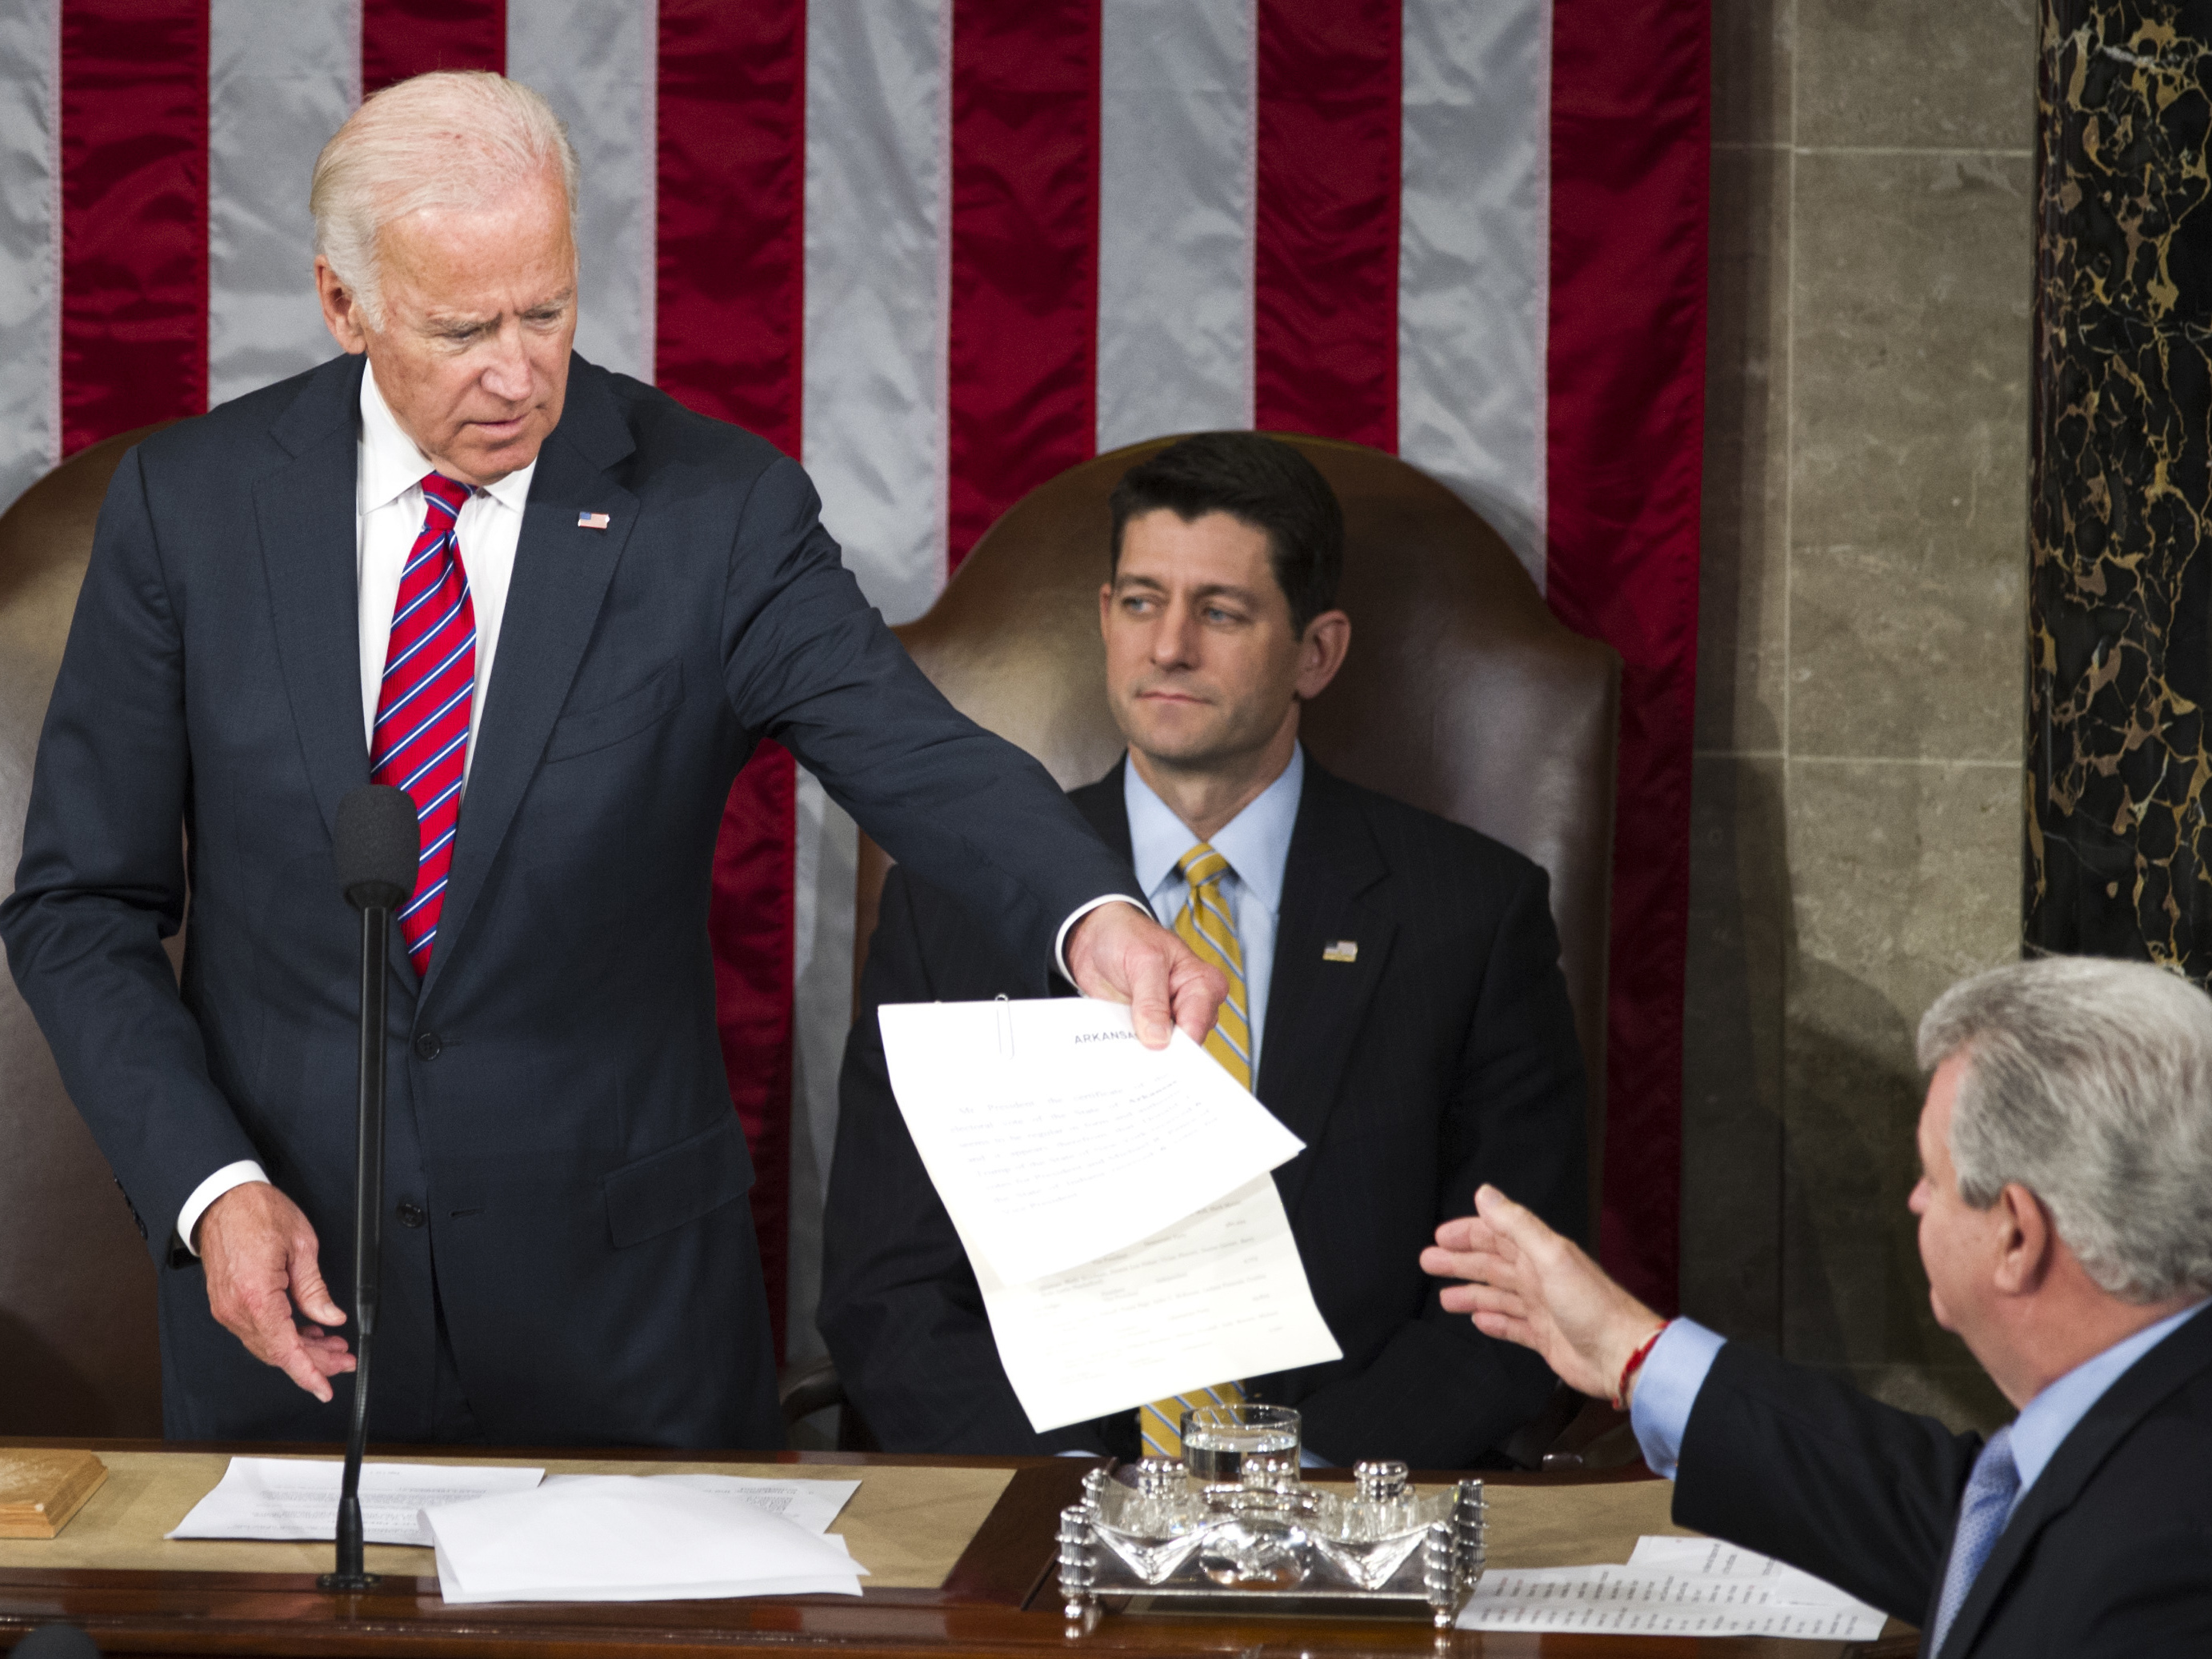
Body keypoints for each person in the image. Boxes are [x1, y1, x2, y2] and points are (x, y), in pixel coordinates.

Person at [0, 71, 1223, 1449]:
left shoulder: (718, 511)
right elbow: (78, 909)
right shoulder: (192, 509)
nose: (518, 373)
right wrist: (210, 1185)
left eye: (547, 310)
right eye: (463, 328)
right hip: (293, 1316)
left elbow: (915, 751)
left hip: (626, 1333)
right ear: (346, 305)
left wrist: (1096, 914)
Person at [820, 431, 1588, 1468]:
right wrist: (1063, 1497)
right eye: (1140, 601)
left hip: (1341, 1516)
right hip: (1036, 1522)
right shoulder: (954, 904)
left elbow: (1499, 1299)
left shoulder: (1471, 915)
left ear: (1317, 651)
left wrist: (1291, 1490)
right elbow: (887, 1287)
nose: (1167, 647)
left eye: (1219, 611)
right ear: (1103, 618)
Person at [1425, 955, 2212, 1655]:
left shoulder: (2155, 1565)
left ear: (2016, 1235)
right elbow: (1966, 1529)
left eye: (1931, 1180)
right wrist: (1632, 1351)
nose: (1912, 1201)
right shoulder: (2150, 1428)